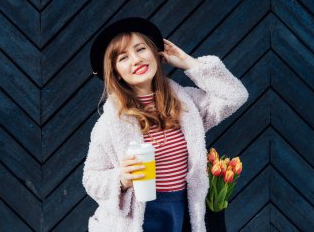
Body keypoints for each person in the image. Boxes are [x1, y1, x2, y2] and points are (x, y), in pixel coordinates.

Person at [82, 17, 249, 232]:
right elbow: (91, 178)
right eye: (123, 57)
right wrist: (121, 179)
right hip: (139, 217)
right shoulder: (110, 124)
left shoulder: (188, 105)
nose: (136, 59)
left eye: (141, 49)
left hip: (181, 210)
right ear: (115, 72)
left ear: (155, 53)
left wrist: (188, 62)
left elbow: (234, 96)